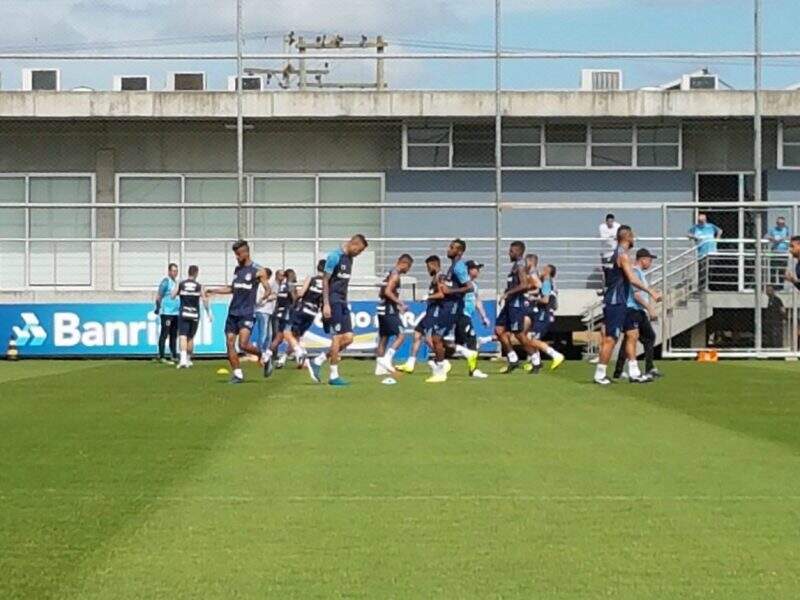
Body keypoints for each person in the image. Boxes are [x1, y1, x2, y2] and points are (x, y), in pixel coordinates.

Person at [594, 226, 662, 386]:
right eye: (633, 236)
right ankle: (600, 374)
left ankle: (634, 372)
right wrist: (651, 292)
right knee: (611, 338)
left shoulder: (619, 254)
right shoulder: (622, 255)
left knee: (632, 334)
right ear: (628, 237)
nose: (634, 239)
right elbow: (632, 279)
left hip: (622, 301)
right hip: (615, 301)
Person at [204, 240, 270, 384]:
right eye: (235, 254)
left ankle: (263, 355)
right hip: (233, 312)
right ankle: (237, 374)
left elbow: (268, 289)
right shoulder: (237, 270)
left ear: (246, 252)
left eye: (238, 254)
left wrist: (263, 298)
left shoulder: (258, 270)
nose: (237, 257)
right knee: (229, 342)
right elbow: (232, 289)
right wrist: (213, 290)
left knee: (244, 345)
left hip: (247, 312)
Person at [307, 234, 369, 386]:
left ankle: (318, 360)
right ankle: (333, 375)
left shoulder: (350, 259)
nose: (359, 254)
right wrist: (326, 304)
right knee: (337, 338)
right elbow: (325, 280)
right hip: (333, 300)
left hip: (342, 301)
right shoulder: (334, 256)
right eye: (359, 250)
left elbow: (344, 283)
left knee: (348, 338)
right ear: (354, 244)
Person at [426, 239, 476, 384]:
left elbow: (470, 287)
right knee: (438, 338)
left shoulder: (459, 267)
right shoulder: (453, 266)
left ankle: (441, 371)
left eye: (452, 247)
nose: (448, 249)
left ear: (459, 251)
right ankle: (463, 354)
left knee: (436, 338)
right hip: (448, 305)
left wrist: (451, 291)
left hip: (453, 306)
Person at [613, 249, 660, 380]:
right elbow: (636, 294)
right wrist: (650, 308)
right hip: (633, 309)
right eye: (650, 260)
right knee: (645, 337)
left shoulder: (639, 273)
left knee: (634, 339)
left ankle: (620, 370)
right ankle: (647, 369)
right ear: (643, 259)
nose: (650, 263)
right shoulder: (634, 272)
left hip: (637, 310)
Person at [397, 255, 442, 374]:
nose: (427, 270)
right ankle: (410, 364)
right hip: (430, 311)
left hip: (435, 313)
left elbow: (442, 294)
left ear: (434, 265)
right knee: (417, 334)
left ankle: (443, 361)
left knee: (428, 339)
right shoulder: (434, 279)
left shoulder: (440, 278)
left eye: (428, 267)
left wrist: (429, 296)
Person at [283, 260, 326, 369]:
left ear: (317, 267)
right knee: (297, 336)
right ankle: (288, 359)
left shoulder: (311, 278)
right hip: (313, 312)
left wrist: (293, 292)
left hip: (303, 308)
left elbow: (301, 293)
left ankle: (300, 352)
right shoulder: (327, 282)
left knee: (287, 333)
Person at [375, 254, 414, 375]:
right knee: (401, 335)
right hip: (388, 309)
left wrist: (396, 306)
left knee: (384, 337)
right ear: (405, 264)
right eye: (409, 267)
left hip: (383, 307)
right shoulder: (395, 275)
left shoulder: (390, 273)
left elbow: (382, 292)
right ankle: (387, 360)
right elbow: (387, 291)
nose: (408, 270)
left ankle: (379, 368)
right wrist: (400, 303)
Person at [525, 264, 565, 374]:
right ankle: (535, 363)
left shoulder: (547, 282)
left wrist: (534, 299)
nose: (541, 271)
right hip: (546, 313)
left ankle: (555, 355)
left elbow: (546, 300)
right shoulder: (548, 283)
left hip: (544, 314)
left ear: (548, 271)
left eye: (544, 269)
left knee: (532, 340)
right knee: (530, 337)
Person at [170, 264, 211, 369]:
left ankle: (183, 360)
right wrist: (208, 313)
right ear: (196, 273)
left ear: (188, 272)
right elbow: (205, 300)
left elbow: (172, 295)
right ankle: (188, 359)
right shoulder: (199, 286)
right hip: (194, 314)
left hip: (184, 313)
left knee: (182, 336)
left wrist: (178, 286)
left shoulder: (182, 284)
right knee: (190, 337)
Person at [263, 269, 298, 377]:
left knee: (278, 338)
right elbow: (294, 299)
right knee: (294, 337)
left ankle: (267, 356)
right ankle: (291, 358)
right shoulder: (290, 285)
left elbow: (278, 300)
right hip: (287, 315)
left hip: (278, 313)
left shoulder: (281, 286)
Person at [460, 260, 490, 379]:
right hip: (461, 315)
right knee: (472, 341)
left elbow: (477, 301)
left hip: (467, 316)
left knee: (465, 342)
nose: (478, 271)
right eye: (475, 268)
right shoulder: (462, 283)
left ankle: (439, 363)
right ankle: (473, 370)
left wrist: (484, 316)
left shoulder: (474, 285)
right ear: (469, 270)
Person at [688, 213, 723, 288]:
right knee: (702, 270)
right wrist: (694, 237)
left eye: (702, 221)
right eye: (700, 221)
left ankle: (710, 285)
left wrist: (717, 239)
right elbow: (688, 234)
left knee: (711, 269)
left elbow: (720, 230)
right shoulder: (696, 227)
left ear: (705, 220)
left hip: (712, 251)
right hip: (702, 252)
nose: (701, 222)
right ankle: (702, 286)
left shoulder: (710, 226)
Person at [154, 263, 180, 363]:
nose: (175, 273)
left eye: (176, 271)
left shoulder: (176, 283)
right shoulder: (166, 282)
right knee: (164, 333)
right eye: (173, 271)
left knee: (174, 334)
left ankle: (173, 354)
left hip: (175, 313)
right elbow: (159, 296)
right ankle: (161, 355)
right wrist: (158, 307)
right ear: (169, 271)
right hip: (167, 312)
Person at [252, 268, 276, 355]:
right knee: (264, 333)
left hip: (268, 312)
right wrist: (268, 298)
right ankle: (260, 353)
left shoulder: (269, 285)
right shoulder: (259, 286)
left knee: (269, 335)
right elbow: (257, 301)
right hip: (261, 311)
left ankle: (265, 352)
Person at [765, 216, 790, 289]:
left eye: (782, 223)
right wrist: (773, 238)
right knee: (773, 269)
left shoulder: (786, 229)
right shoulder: (773, 229)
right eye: (779, 223)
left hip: (783, 252)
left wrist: (781, 238)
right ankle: (773, 286)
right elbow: (766, 236)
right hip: (774, 252)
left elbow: (790, 237)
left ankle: (780, 286)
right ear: (777, 223)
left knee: (782, 270)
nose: (781, 225)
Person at [599, 213, 620, 293]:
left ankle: (613, 288)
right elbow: (604, 238)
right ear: (606, 221)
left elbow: (619, 237)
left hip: (614, 252)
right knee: (605, 271)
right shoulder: (602, 227)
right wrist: (611, 237)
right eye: (609, 222)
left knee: (615, 270)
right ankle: (606, 289)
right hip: (605, 252)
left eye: (611, 222)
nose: (610, 223)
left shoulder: (617, 226)